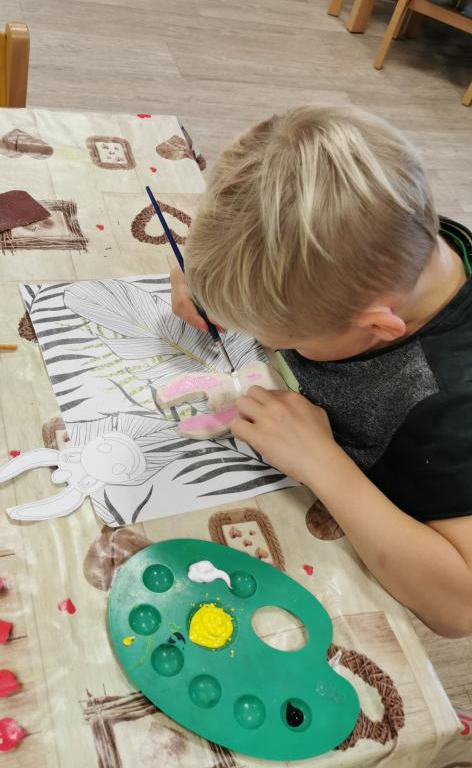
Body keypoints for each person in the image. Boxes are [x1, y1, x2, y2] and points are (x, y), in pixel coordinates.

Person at [171, 106, 472, 637]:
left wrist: (323, 463)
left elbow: (459, 609)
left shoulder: (450, 408)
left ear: (378, 326)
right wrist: (209, 277)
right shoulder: (391, 236)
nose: (265, 343)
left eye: (281, 339)